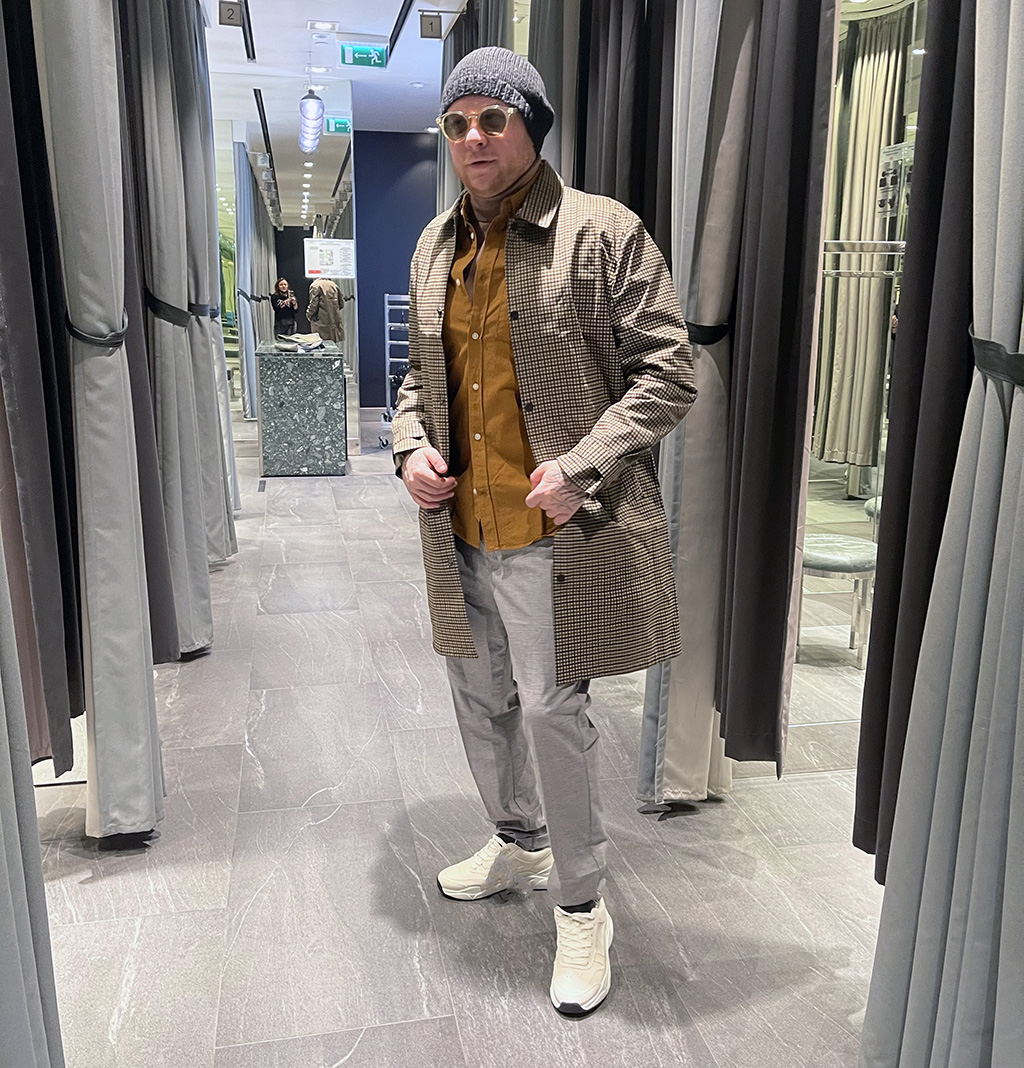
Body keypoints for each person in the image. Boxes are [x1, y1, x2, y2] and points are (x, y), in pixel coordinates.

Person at [391, 46, 696, 1017]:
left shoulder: (602, 232)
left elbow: (670, 371)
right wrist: (407, 447)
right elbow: (416, 380)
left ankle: (581, 907)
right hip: (458, 528)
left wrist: (582, 465)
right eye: (456, 123)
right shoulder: (433, 247)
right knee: (479, 698)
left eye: (493, 118)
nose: (472, 138)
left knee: (552, 716)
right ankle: (516, 842)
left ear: (531, 124)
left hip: (553, 535)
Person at [306, 276, 345, 346]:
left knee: (320, 345)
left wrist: (309, 315)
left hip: (320, 321)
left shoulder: (315, 285)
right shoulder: (333, 285)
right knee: (332, 346)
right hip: (334, 321)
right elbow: (341, 303)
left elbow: (314, 304)